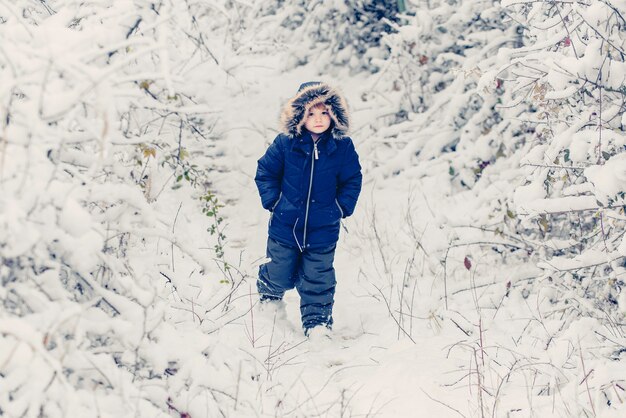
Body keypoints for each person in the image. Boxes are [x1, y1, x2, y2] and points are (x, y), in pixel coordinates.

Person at [254, 81, 362, 337]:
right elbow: (266, 172)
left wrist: (341, 207)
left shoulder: (341, 147)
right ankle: (269, 306)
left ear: (335, 114)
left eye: (324, 113)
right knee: (278, 271)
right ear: (299, 114)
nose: (317, 119)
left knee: (318, 279)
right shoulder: (285, 144)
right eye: (310, 113)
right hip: (285, 226)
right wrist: (274, 202)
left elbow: (352, 179)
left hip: (323, 229)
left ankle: (317, 326)